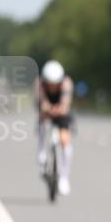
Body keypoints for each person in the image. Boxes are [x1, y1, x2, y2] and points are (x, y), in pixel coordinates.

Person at [37, 60, 75, 196]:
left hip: (61, 112)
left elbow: (65, 104)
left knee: (65, 139)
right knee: (42, 123)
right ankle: (41, 151)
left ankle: (64, 176)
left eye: (55, 83)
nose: (52, 86)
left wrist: (58, 109)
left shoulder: (67, 83)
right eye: (50, 83)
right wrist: (47, 109)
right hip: (46, 110)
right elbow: (42, 103)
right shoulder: (39, 84)